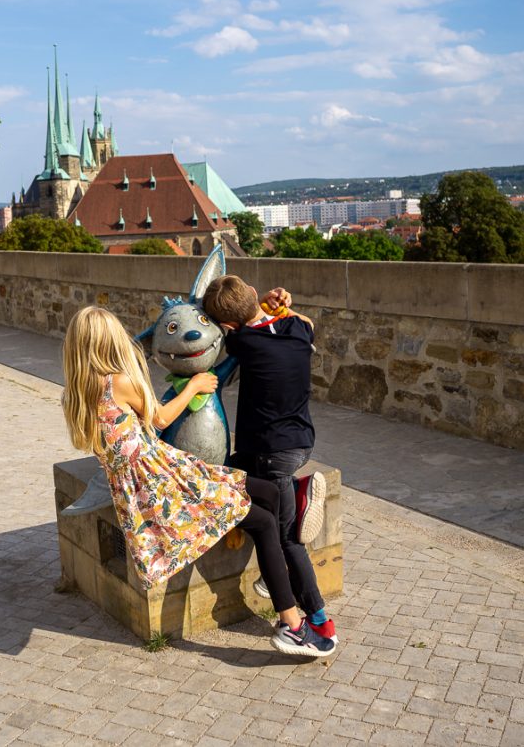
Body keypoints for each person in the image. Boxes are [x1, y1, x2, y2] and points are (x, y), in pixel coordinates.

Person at [61, 306, 336, 658]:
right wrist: (194, 385)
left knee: (267, 491)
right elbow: (160, 419)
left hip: (157, 476)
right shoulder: (119, 382)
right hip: (163, 486)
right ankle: (294, 626)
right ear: (108, 342)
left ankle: (288, 522)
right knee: (265, 522)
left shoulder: (77, 391)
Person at [203, 275, 337, 644]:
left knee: (285, 539)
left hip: (272, 454)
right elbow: (302, 323)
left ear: (228, 325)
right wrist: (272, 306)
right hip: (300, 444)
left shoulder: (242, 341)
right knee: (235, 468)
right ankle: (296, 491)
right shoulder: (297, 327)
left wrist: (244, 313)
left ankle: (319, 618)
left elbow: (217, 341)